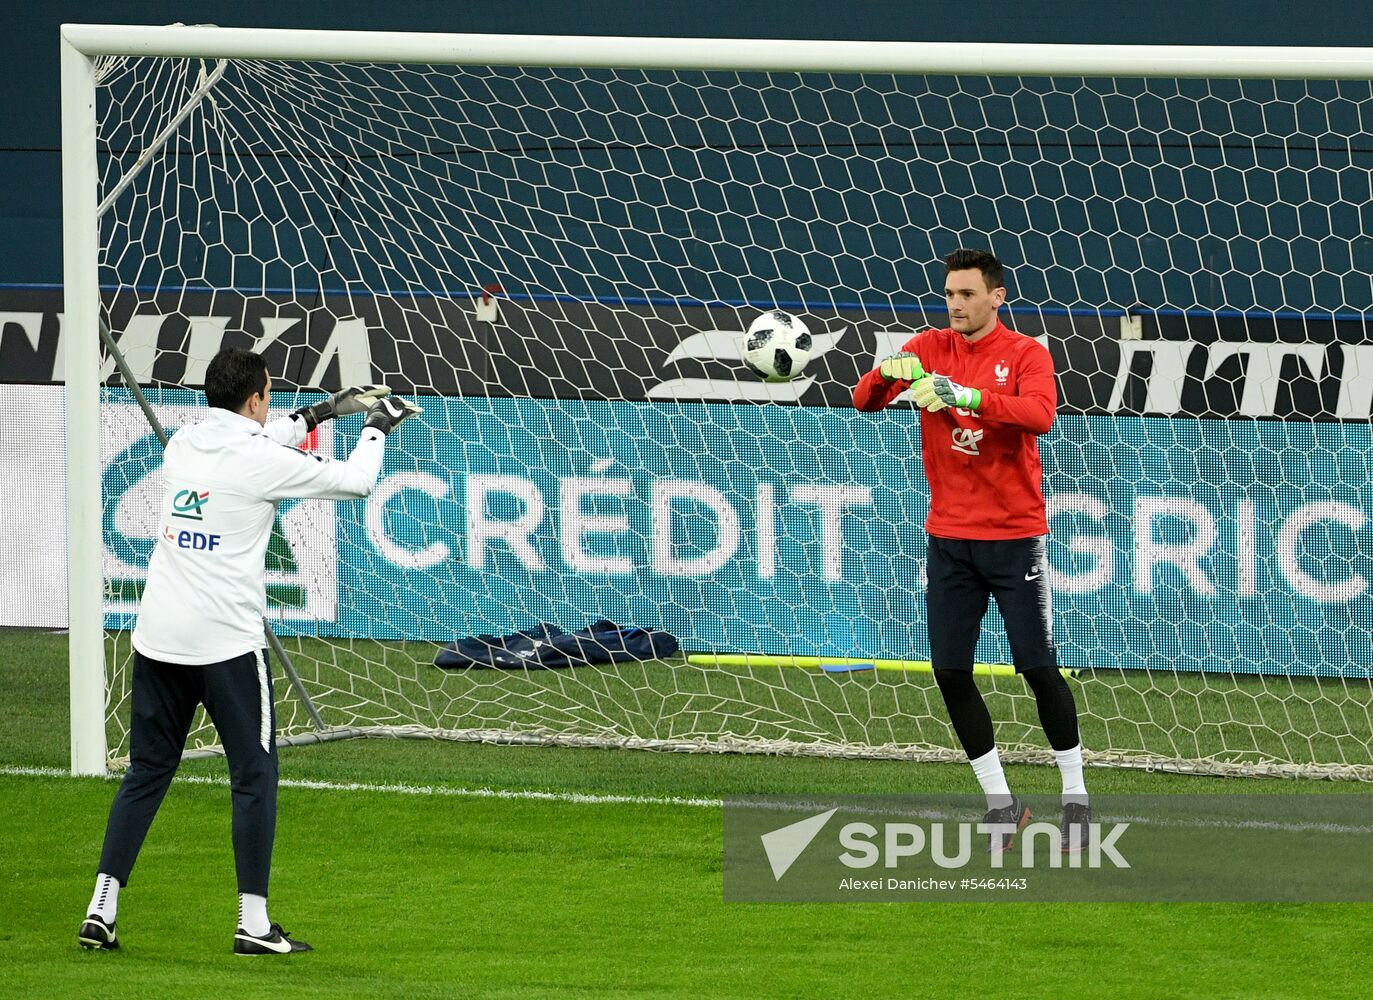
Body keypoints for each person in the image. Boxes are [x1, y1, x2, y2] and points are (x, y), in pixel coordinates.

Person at [78, 348, 421, 954]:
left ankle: (100, 907)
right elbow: (360, 481)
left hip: (158, 636)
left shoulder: (183, 442)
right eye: (267, 393)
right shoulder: (263, 459)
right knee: (254, 774)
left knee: (148, 772)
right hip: (226, 645)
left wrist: (323, 411)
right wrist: (374, 426)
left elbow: (260, 434)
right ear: (257, 397)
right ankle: (254, 924)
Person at [853, 247, 1089, 854]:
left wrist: (965, 397)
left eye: (966, 294)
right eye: (950, 294)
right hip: (950, 540)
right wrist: (891, 374)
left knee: (1037, 669)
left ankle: (1076, 801)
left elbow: (1040, 416)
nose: (954, 304)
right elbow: (864, 400)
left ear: (996, 297)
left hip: (1014, 539)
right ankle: (1001, 806)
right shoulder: (928, 345)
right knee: (950, 671)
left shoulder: (1026, 354)